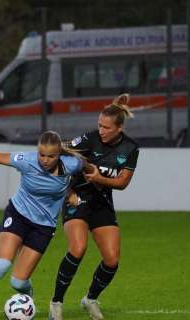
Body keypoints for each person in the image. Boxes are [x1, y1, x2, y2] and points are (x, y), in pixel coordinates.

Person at [0, 131, 87, 320]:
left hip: (43, 227)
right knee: (2, 264)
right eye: (42, 154)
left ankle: (28, 297)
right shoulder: (26, 160)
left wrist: (72, 192)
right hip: (18, 214)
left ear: (59, 154)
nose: (45, 160)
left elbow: (88, 168)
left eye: (51, 156)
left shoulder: (72, 164)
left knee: (18, 282)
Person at [49, 94, 140, 320]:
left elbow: (123, 183)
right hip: (77, 198)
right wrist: (59, 151)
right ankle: (56, 302)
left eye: (106, 127)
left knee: (112, 260)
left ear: (119, 128)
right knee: (78, 249)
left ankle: (90, 299)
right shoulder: (90, 139)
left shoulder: (131, 148)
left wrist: (99, 179)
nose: (101, 130)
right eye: (99, 125)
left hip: (102, 203)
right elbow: (62, 148)